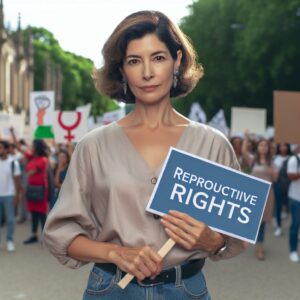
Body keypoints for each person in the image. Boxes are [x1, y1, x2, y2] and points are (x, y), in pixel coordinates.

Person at [43, 10, 247, 299]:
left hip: (186, 290)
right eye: (134, 61)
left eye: (158, 58)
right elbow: (60, 233)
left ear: (177, 60)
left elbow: (236, 232)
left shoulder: (212, 144)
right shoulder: (94, 145)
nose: (147, 72)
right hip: (111, 288)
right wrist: (114, 252)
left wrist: (212, 240)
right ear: (122, 70)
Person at [10, 128, 49, 244]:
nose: (31, 147)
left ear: (37, 147)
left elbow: (31, 171)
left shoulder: (43, 159)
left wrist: (27, 168)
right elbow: (18, 148)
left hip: (41, 189)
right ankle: (34, 235)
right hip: (31, 188)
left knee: (42, 212)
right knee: (33, 211)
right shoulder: (32, 157)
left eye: (33, 146)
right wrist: (13, 133)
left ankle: (45, 236)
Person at [242, 133, 276, 261]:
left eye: (265, 145)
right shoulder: (253, 160)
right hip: (254, 193)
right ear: (258, 147)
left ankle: (260, 248)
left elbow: (275, 179)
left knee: (262, 222)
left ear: (268, 148)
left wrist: (273, 170)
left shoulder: (271, 162)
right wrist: (246, 137)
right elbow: (244, 150)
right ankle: (246, 239)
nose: (263, 147)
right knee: (252, 219)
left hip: (268, 194)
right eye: (261, 145)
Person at [0, 140, 21, 252]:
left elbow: (17, 181)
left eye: (1, 148)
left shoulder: (14, 163)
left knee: (10, 220)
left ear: (7, 149)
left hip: (9, 195)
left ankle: (9, 241)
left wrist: (17, 196)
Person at [273, 143, 291, 236]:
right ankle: (278, 226)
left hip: (290, 185)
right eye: (281, 145)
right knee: (278, 206)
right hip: (277, 185)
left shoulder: (292, 158)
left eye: (285, 145)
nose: (283, 147)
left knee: (289, 206)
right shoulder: (275, 158)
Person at [287, 144, 300, 262]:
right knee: (295, 225)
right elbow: (291, 176)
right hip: (296, 198)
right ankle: (293, 250)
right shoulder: (294, 159)